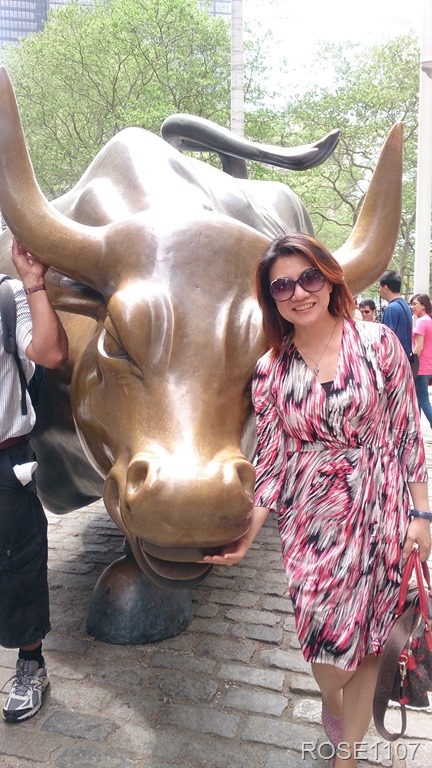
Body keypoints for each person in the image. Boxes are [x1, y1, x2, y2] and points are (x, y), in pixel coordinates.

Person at [200, 234, 431, 768]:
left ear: (329, 279)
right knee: (329, 654)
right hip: (312, 525)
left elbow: (406, 433)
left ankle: (346, 756)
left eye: (308, 277)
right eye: (282, 285)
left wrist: (422, 514)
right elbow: (272, 461)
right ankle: (333, 702)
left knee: (374, 640)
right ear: (271, 298)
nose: (299, 292)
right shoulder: (270, 371)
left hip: (381, 511)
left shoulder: (377, 343)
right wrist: (246, 537)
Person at [1, 238, 68, 722]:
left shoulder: (7, 296)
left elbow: (50, 352)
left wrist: (33, 282)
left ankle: (31, 665)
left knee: (19, 565)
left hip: (5, 458)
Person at [378, 270, 412, 356]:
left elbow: (387, 339)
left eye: (379, 287)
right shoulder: (404, 305)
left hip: (395, 358)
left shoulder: (391, 308)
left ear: (385, 288)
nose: (379, 290)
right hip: (405, 356)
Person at [411, 293, 432, 430]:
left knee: (423, 400)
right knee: (419, 399)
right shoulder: (429, 320)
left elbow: (418, 347)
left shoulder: (421, 322)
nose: (412, 307)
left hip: (421, 367)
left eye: (415, 304)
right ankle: (416, 429)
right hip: (429, 366)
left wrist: (410, 362)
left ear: (423, 305)